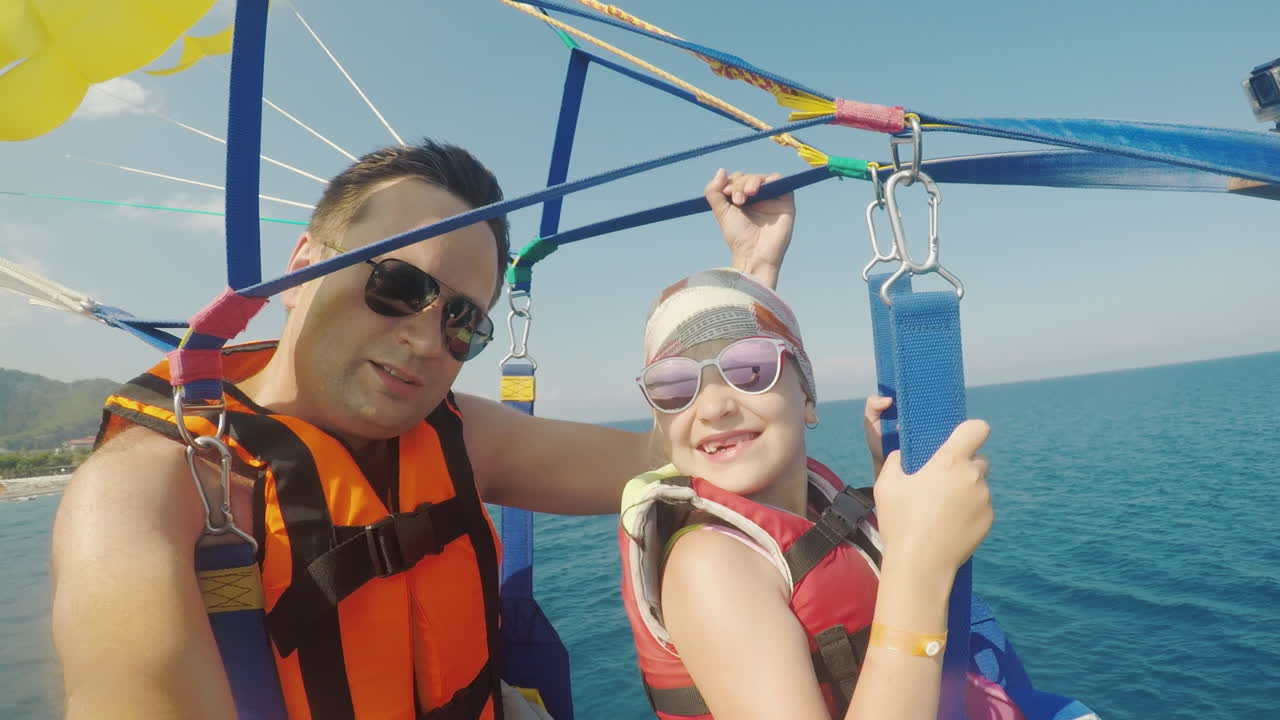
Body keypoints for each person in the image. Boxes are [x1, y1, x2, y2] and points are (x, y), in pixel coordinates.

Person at [49, 141, 800, 720]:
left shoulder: (459, 437)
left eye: (461, 320)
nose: (423, 338)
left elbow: (678, 449)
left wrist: (750, 278)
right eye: (397, 286)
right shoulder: (150, 493)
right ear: (301, 264)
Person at [617, 266, 1019, 717]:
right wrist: (921, 565)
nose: (713, 407)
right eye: (673, 387)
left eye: (750, 369)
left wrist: (889, 475)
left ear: (807, 398)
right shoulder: (710, 567)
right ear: (661, 424)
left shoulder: (815, 504)